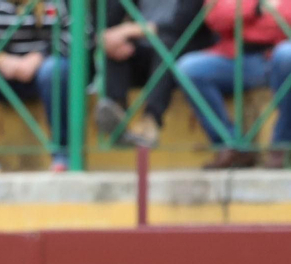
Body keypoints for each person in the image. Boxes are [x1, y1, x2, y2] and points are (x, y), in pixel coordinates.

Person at [0, 0, 75, 173]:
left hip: (41, 71)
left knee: (55, 70)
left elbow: (73, 33)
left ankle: (63, 153)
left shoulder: (55, 3)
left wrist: (39, 57)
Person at [174, 0, 291, 169]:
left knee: (286, 55)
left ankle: (281, 146)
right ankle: (232, 145)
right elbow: (216, 17)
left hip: (279, 58)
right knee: (188, 68)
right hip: (238, 58)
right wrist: (256, 7)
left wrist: (244, 17)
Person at [95, 0, 211, 150]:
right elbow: (107, 23)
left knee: (165, 45)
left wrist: (128, 30)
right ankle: (117, 114)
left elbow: (179, 26)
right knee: (116, 47)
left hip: (183, 54)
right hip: (145, 52)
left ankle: (150, 122)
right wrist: (110, 38)